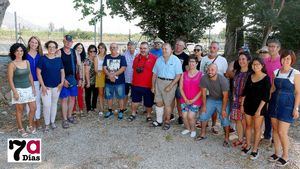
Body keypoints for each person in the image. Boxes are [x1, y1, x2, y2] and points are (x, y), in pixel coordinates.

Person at [268, 50, 300, 167]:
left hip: (287, 106)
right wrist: (267, 102)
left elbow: (298, 92)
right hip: (274, 104)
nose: (285, 61)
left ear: (292, 60)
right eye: (284, 58)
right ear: (280, 59)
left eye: (288, 59)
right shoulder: (276, 72)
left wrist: (296, 108)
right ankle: (276, 153)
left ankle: (285, 156)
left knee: (282, 132)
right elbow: (272, 89)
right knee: (275, 130)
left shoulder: (295, 73)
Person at [240, 57, 271, 160]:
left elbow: (266, 96)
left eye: (258, 64)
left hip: (259, 108)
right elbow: (244, 92)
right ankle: (248, 145)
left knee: (257, 129)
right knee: (248, 126)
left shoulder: (266, 78)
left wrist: (259, 110)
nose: (255, 66)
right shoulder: (250, 76)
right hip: (248, 105)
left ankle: (255, 149)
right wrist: (242, 105)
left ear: (262, 66)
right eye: (253, 64)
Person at [196, 63, 230, 147]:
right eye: (209, 69)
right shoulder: (204, 78)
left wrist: (223, 110)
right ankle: (203, 134)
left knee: (224, 118)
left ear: (216, 71)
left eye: (212, 70)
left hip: (222, 100)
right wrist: (204, 106)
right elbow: (203, 94)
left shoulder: (223, 80)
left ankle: (226, 138)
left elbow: (225, 97)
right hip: (211, 98)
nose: (210, 71)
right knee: (203, 114)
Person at [199, 41, 228, 135]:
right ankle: (205, 123)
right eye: (211, 47)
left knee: (215, 108)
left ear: (218, 49)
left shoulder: (222, 60)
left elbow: (224, 74)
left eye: (214, 48)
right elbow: (202, 72)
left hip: (218, 88)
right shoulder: (203, 59)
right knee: (205, 106)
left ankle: (214, 125)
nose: (212, 49)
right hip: (206, 85)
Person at [7, 43, 36, 137]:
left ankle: (30, 125)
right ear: (13, 52)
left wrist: (33, 87)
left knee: (33, 108)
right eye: (17, 51)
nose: (19, 53)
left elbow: (30, 75)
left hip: (28, 88)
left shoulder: (27, 62)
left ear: (23, 52)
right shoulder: (12, 64)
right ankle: (20, 128)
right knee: (19, 110)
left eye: (21, 50)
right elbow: (10, 79)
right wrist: (14, 92)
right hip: (18, 89)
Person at [151, 43, 182, 130]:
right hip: (159, 82)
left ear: (171, 50)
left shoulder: (176, 60)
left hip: (170, 83)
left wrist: (171, 86)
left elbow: (178, 75)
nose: (164, 50)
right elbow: (154, 74)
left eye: (166, 49)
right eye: (163, 48)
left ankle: (167, 121)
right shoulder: (159, 59)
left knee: (168, 104)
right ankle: (159, 121)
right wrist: (152, 86)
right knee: (158, 102)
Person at [37, 41, 65, 132]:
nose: (52, 48)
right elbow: (38, 73)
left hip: (57, 87)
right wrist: (43, 86)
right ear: (47, 48)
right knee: (46, 105)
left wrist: (61, 82)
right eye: (50, 47)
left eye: (54, 47)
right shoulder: (43, 59)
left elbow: (62, 71)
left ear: (56, 48)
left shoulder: (59, 59)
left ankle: (52, 122)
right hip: (46, 87)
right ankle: (47, 124)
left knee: (54, 104)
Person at [56, 35, 82, 128]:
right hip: (63, 80)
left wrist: (80, 79)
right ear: (63, 41)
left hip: (73, 79)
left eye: (70, 42)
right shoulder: (59, 52)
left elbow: (79, 66)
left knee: (72, 98)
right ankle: (65, 119)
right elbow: (56, 68)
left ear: (72, 42)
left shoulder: (74, 52)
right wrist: (63, 80)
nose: (68, 43)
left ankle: (70, 116)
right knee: (64, 99)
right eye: (67, 41)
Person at [127, 42, 157, 122]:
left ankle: (148, 115)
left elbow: (156, 72)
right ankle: (133, 114)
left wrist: (154, 85)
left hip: (148, 85)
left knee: (148, 102)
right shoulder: (136, 58)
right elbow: (134, 69)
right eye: (141, 48)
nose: (143, 50)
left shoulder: (154, 58)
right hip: (136, 84)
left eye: (144, 48)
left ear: (148, 48)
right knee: (134, 101)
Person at [229, 52, 252, 147]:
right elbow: (234, 86)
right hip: (236, 99)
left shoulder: (250, 73)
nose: (241, 61)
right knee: (238, 120)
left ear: (248, 60)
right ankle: (240, 139)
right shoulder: (237, 72)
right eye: (239, 59)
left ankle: (247, 141)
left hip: (246, 100)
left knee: (245, 122)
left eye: (243, 59)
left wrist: (244, 100)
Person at [263, 39, 282, 142]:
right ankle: (267, 135)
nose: (271, 48)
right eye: (269, 46)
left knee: (275, 114)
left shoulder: (282, 61)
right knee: (266, 113)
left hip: (278, 90)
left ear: (278, 48)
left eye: (273, 46)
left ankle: (276, 138)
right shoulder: (265, 61)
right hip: (266, 90)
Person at [179, 55, 202, 138]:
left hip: (195, 100)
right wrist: (185, 98)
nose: (191, 63)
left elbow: (201, 90)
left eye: (193, 62)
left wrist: (193, 100)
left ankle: (193, 130)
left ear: (196, 63)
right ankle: (188, 128)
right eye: (190, 61)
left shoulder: (200, 74)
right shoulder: (184, 74)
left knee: (190, 116)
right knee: (184, 116)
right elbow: (180, 87)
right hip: (184, 99)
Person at [103, 43, 127, 120]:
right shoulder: (107, 57)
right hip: (108, 81)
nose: (113, 49)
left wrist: (113, 75)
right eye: (111, 47)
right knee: (109, 97)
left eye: (114, 47)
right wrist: (109, 75)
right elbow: (104, 67)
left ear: (117, 48)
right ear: (110, 48)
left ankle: (121, 111)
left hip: (119, 82)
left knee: (120, 97)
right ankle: (110, 110)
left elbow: (123, 68)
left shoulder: (122, 57)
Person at [26, 36, 42, 130]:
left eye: (36, 43)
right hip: (27, 82)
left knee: (37, 102)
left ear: (38, 45)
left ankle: (38, 119)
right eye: (32, 42)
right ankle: (31, 121)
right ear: (29, 43)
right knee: (30, 103)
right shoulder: (25, 55)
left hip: (37, 82)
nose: (34, 44)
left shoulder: (40, 56)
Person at [173, 39, 189, 124]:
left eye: (180, 45)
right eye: (177, 44)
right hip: (169, 80)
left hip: (180, 81)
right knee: (170, 99)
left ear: (183, 47)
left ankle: (180, 116)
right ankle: (170, 114)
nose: (178, 46)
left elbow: (187, 70)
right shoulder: (170, 54)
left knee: (179, 99)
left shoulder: (186, 57)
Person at [72, 43, 86, 117]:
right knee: (73, 94)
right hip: (73, 77)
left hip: (80, 77)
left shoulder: (83, 58)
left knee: (80, 94)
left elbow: (83, 70)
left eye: (81, 48)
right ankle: (73, 110)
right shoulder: (72, 57)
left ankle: (81, 109)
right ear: (75, 48)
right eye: (78, 48)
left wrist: (83, 80)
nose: (79, 49)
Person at [123, 41, 138, 110]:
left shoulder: (138, 54)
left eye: (132, 45)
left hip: (135, 79)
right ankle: (124, 107)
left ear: (135, 46)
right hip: (126, 78)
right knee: (125, 94)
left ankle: (134, 109)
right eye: (129, 45)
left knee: (134, 95)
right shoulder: (124, 54)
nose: (130, 47)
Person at [84, 45, 99, 113]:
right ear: (88, 52)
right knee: (88, 95)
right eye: (91, 51)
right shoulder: (87, 60)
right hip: (89, 80)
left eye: (94, 51)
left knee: (95, 94)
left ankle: (94, 106)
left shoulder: (95, 59)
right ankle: (88, 108)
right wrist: (88, 82)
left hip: (96, 80)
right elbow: (86, 72)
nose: (93, 52)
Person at [94, 42, 107, 116]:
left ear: (105, 48)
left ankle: (109, 108)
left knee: (108, 92)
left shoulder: (107, 56)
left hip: (108, 75)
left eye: (102, 47)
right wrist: (102, 71)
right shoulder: (96, 57)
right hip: (100, 76)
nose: (101, 49)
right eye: (99, 48)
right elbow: (96, 69)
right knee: (101, 93)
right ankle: (101, 109)